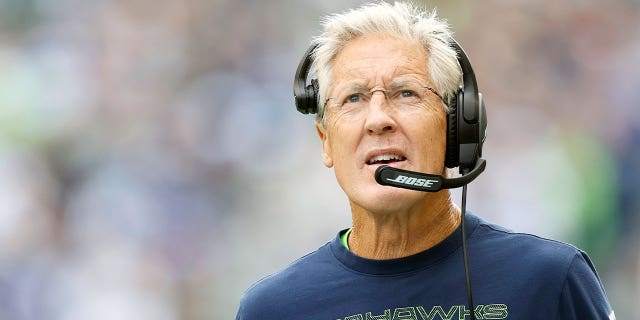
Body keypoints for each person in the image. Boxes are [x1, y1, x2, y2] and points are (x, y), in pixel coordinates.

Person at [236, 2, 614, 319]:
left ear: (455, 127)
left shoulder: (549, 279)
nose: (378, 118)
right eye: (353, 98)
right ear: (326, 143)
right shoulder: (272, 309)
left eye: (406, 94)